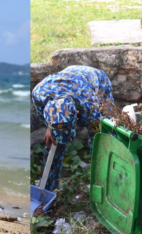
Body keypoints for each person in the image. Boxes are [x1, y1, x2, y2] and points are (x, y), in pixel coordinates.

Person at [31, 65, 114, 194]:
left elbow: (98, 141)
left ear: (77, 113)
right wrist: (50, 128)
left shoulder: (90, 106)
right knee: (53, 140)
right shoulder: (39, 94)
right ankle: (49, 190)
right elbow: (46, 116)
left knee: (107, 137)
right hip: (70, 82)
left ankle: (107, 185)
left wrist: (99, 173)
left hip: (97, 81)